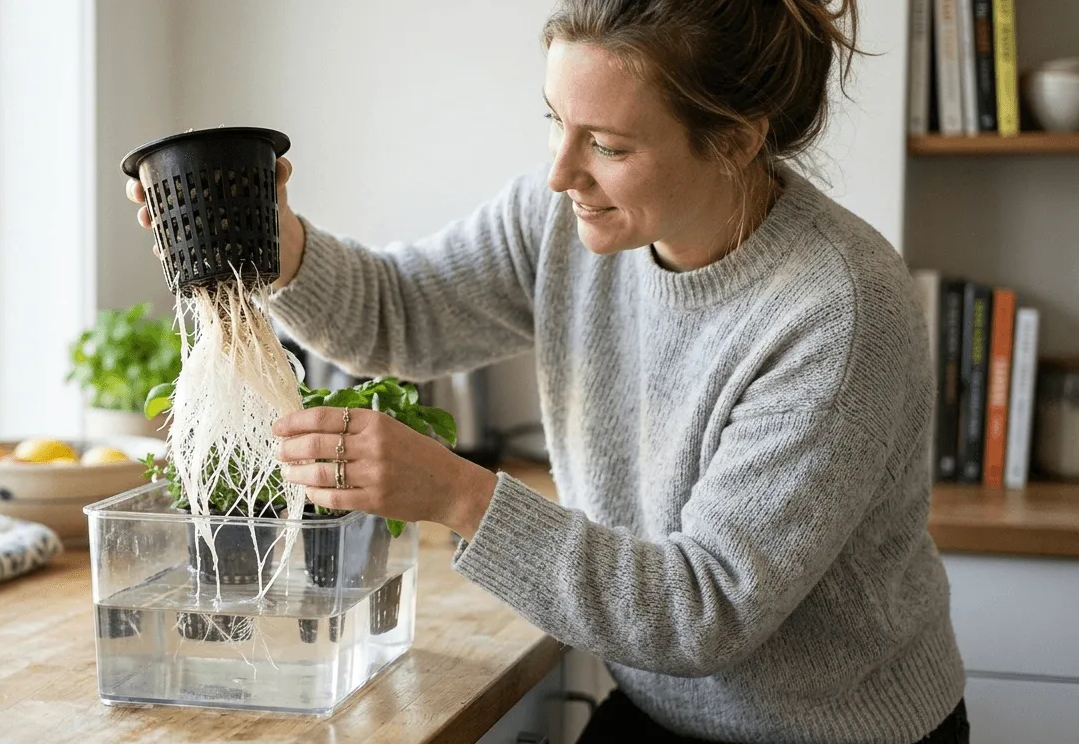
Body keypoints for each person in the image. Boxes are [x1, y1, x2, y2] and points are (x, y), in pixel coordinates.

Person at [128, 1, 970, 741]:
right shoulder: (567, 214)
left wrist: (456, 495)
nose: (563, 174)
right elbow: (402, 312)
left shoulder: (837, 312)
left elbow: (703, 609)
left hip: (833, 732)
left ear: (737, 141)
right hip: (658, 705)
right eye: (555, 124)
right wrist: (277, 245)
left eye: (606, 144)